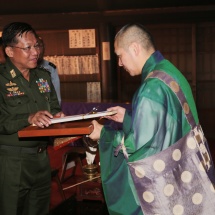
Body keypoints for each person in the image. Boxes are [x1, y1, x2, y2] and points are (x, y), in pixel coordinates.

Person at [88, 23, 205, 214]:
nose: (119, 63)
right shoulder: (169, 71)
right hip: (183, 167)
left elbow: (140, 147)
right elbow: (166, 125)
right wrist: (128, 118)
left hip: (163, 182)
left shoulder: (151, 87)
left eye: (120, 55)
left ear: (134, 48)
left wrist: (104, 134)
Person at [0, 22, 64, 215]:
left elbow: (53, 108)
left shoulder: (43, 77)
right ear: (10, 51)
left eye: (36, 45)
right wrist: (28, 118)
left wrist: (57, 117)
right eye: (27, 48)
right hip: (12, 162)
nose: (35, 52)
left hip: (41, 158)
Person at [37, 37, 61, 105]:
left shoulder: (49, 68)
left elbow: (56, 96)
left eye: (40, 46)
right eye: (35, 46)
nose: (37, 50)